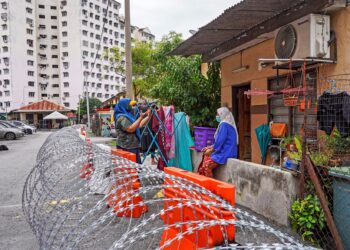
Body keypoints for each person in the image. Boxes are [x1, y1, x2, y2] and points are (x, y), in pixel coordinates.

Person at [198, 107, 238, 178]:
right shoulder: (227, 124)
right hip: (225, 150)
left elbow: (220, 141)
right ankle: (204, 180)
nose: (217, 116)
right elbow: (221, 141)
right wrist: (210, 147)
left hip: (226, 152)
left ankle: (210, 185)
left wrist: (211, 150)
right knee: (205, 156)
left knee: (206, 166)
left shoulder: (224, 125)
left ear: (222, 114)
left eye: (218, 114)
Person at [114, 98, 151, 164]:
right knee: (130, 169)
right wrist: (141, 117)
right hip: (126, 147)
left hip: (133, 146)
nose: (131, 106)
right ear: (124, 105)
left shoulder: (129, 116)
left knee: (136, 168)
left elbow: (139, 125)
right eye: (129, 104)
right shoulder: (121, 118)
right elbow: (131, 129)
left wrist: (148, 116)